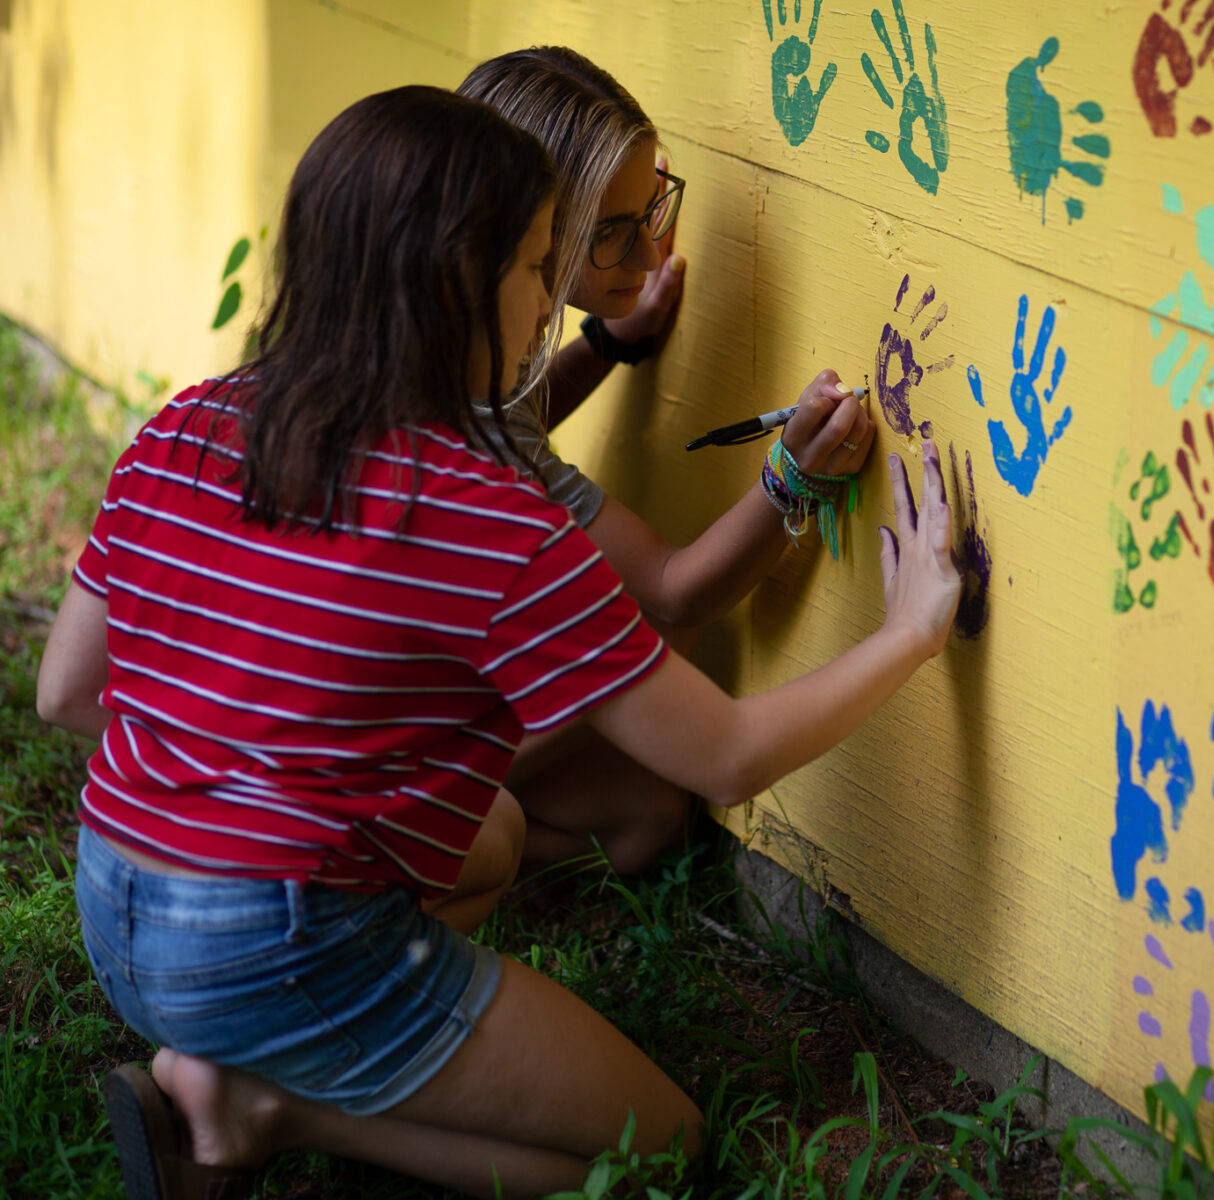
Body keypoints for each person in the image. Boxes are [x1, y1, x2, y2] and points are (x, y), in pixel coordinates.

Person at [36, 85, 959, 1198]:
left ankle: (241, 1054)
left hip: (114, 902)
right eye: (534, 264)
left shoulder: (188, 422)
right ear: (454, 287)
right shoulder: (483, 515)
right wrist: (909, 632)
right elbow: (726, 757)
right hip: (272, 940)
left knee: (493, 840)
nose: (547, 299)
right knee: (658, 1147)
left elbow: (66, 693)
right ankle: (264, 1106)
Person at [457, 47, 878, 873]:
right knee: (648, 626)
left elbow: (514, 420)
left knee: (648, 814)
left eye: (648, 211)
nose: (650, 256)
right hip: (378, 734)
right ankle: (442, 847)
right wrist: (794, 476)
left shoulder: (459, 334)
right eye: (611, 234)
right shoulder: (475, 423)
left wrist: (607, 342)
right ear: (529, 234)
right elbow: (678, 591)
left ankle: (467, 844)